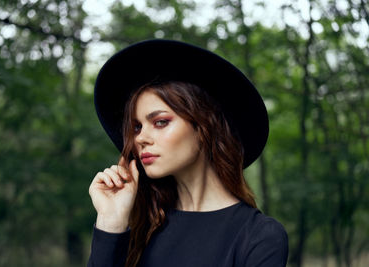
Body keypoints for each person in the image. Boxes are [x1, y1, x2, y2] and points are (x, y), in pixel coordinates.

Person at [87, 39, 288, 267]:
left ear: (204, 127)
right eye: (136, 127)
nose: (140, 138)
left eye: (160, 122)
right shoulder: (138, 230)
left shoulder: (258, 237)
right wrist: (110, 221)